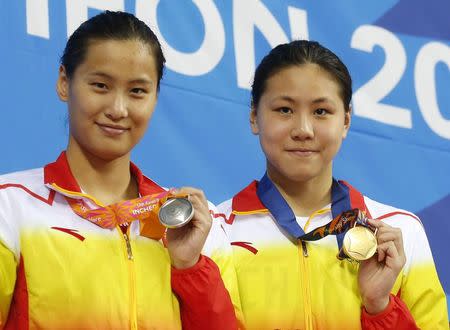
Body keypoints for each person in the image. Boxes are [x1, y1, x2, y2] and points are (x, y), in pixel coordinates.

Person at [0, 11, 238, 329]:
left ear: (155, 98)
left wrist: (189, 268)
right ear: (64, 82)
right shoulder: (10, 208)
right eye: (100, 85)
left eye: (137, 91)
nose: (118, 109)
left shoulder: (196, 224)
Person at [215, 40, 448, 329]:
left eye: (321, 111)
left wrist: (380, 307)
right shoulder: (218, 231)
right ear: (254, 117)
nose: (303, 129)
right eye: (285, 110)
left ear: (346, 121)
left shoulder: (400, 232)